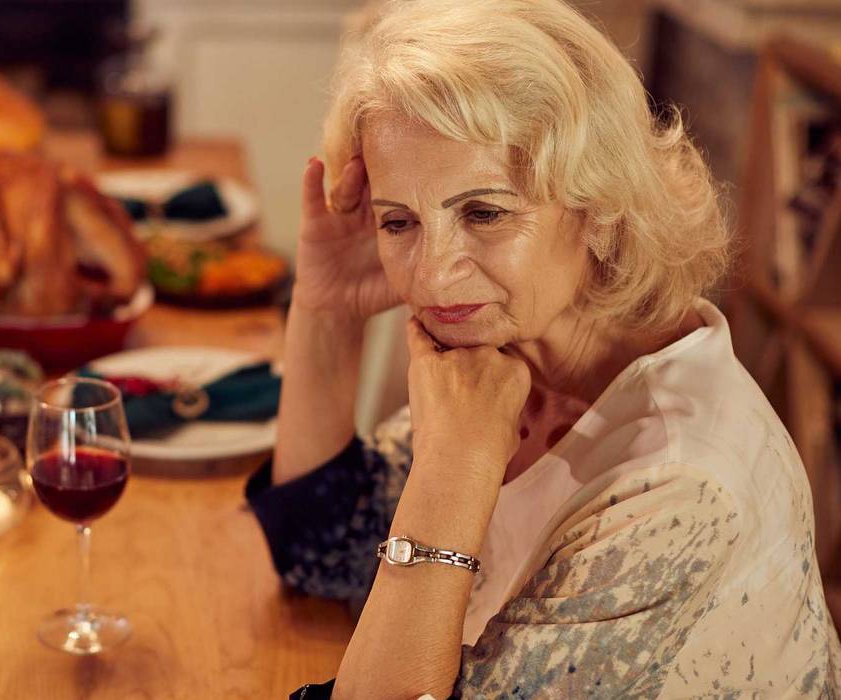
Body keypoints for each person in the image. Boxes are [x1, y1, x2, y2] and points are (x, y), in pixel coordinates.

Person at [246, 0, 841, 697]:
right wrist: (324, 310)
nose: (433, 275)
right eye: (399, 220)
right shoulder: (508, 357)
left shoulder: (681, 486)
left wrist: (454, 469)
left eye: (485, 212)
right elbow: (325, 549)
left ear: (599, 206)